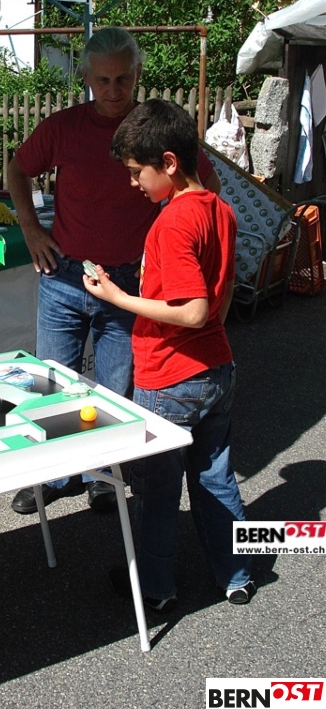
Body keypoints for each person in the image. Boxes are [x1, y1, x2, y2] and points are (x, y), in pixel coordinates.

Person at [8, 27, 221, 515]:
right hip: (63, 275)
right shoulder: (63, 127)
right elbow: (17, 169)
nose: (113, 90)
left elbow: (204, 187)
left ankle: (101, 474)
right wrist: (31, 229)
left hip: (128, 283)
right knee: (53, 382)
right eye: (102, 80)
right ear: (85, 77)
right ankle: (54, 473)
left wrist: (181, 249)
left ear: (138, 74)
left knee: (114, 388)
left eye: (122, 78)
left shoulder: (155, 132)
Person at [82, 98, 253, 609]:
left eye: (138, 172)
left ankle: (155, 588)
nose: (133, 182)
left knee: (156, 488)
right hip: (217, 369)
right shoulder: (219, 208)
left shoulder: (173, 222)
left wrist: (117, 297)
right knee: (215, 476)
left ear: (170, 163)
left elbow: (194, 310)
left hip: (170, 377)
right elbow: (220, 298)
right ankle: (237, 575)